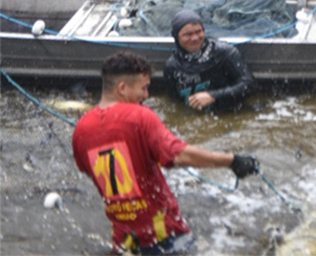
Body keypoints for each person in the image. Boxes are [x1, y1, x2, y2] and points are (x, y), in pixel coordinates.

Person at [72, 52, 260, 254]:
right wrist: (231, 161)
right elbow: (177, 155)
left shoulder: (80, 130)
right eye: (143, 88)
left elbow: (91, 170)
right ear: (122, 88)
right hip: (163, 234)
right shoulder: (140, 116)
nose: (146, 96)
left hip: (124, 239)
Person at [164, 9, 254, 111]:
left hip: (229, 114)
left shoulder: (224, 53)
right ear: (177, 37)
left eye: (198, 32)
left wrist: (213, 95)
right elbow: (174, 102)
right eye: (188, 34)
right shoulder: (172, 66)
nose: (195, 38)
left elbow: (249, 85)